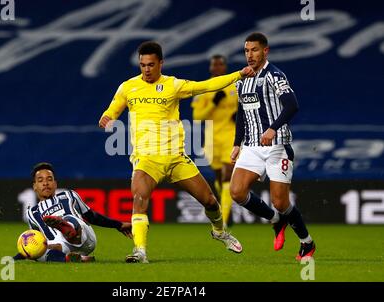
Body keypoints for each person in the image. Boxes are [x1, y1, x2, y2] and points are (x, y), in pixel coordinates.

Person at [99, 41, 255, 263]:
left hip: (176, 158)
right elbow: (113, 108)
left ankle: (219, 231)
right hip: (146, 159)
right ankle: (140, 251)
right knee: (139, 198)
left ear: (161, 63)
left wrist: (238, 75)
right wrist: (107, 117)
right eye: (142, 65)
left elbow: (207, 86)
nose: (146, 69)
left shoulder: (173, 85)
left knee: (210, 201)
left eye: (151, 65)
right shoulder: (128, 87)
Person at [230, 32, 315, 261]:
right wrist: (237, 143)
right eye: (246, 50)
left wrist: (273, 128)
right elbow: (241, 113)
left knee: (281, 201)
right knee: (236, 192)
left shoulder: (275, 75)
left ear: (265, 51)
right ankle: (276, 220)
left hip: (277, 145)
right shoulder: (242, 78)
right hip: (252, 147)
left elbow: (292, 105)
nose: (250, 55)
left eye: (254, 50)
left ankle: (306, 242)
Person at [13, 162, 132, 262]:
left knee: (69, 218)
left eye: (49, 179)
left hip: (84, 238)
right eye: (40, 180)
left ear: (55, 184)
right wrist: (19, 256)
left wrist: (118, 224)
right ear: (34, 186)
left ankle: (67, 227)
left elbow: (91, 216)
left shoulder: (68, 195)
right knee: (41, 251)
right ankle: (73, 258)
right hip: (61, 247)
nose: (45, 183)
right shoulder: (32, 213)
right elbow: (35, 242)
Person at [191, 54, 238, 228]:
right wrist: (213, 104)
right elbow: (197, 117)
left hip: (230, 136)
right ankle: (227, 206)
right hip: (211, 139)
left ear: (224, 68)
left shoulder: (235, 86)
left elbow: (247, 108)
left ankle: (224, 219)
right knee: (219, 176)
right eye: (214, 65)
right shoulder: (204, 88)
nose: (217, 68)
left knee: (227, 175)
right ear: (211, 68)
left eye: (220, 65)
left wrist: (239, 114)